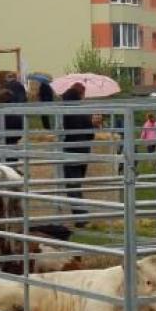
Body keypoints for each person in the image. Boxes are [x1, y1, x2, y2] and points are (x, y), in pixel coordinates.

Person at [60, 83, 92, 226]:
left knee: (72, 185)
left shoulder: (65, 109)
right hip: (84, 150)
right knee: (77, 183)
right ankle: (81, 215)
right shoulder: (83, 111)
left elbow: (60, 130)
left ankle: (80, 217)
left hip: (71, 149)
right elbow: (91, 134)